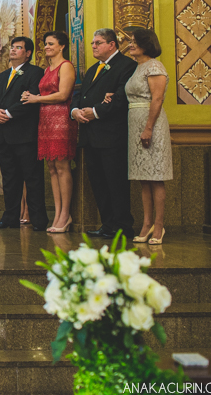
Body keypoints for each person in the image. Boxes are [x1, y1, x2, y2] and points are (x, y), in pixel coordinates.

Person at [71, 29, 138, 239]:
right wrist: (75, 111)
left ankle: (123, 227)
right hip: (90, 136)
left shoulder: (126, 66)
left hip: (112, 136)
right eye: (92, 42)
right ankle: (107, 224)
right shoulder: (92, 70)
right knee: (98, 183)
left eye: (98, 42)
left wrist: (96, 112)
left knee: (115, 182)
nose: (93, 46)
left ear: (112, 45)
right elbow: (80, 94)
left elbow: (121, 98)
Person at [0, 37, 48, 230]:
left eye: (18, 48)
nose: (13, 50)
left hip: (24, 133)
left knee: (32, 178)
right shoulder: (2, 76)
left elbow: (31, 98)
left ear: (28, 53)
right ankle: (10, 217)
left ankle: (38, 219)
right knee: (10, 179)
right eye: (12, 47)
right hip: (4, 133)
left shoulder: (35, 72)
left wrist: (9, 112)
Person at [21, 31, 77, 233]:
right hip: (45, 119)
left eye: (51, 44)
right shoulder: (47, 69)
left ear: (62, 46)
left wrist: (36, 99)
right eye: (45, 44)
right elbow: (44, 94)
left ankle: (65, 214)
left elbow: (63, 94)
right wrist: (32, 96)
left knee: (62, 166)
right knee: (52, 168)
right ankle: (58, 212)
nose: (46, 47)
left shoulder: (66, 66)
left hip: (61, 119)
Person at [124, 28, 172, 245]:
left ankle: (159, 226)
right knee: (143, 178)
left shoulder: (154, 66)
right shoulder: (138, 67)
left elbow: (157, 99)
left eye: (134, 41)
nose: (130, 44)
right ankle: (146, 223)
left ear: (146, 44)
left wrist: (149, 128)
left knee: (155, 175)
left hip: (150, 123)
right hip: (135, 121)